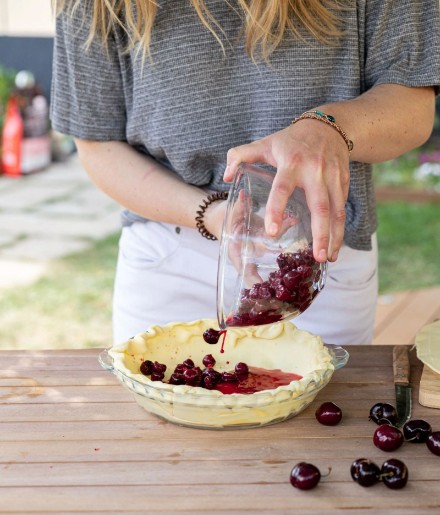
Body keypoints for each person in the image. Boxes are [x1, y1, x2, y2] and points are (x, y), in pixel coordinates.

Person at [51, 0, 440, 345]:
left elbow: (411, 106)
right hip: (168, 251)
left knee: (314, 426)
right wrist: (214, 214)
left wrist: (328, 129)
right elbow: (97, 142)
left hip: (316, 257)